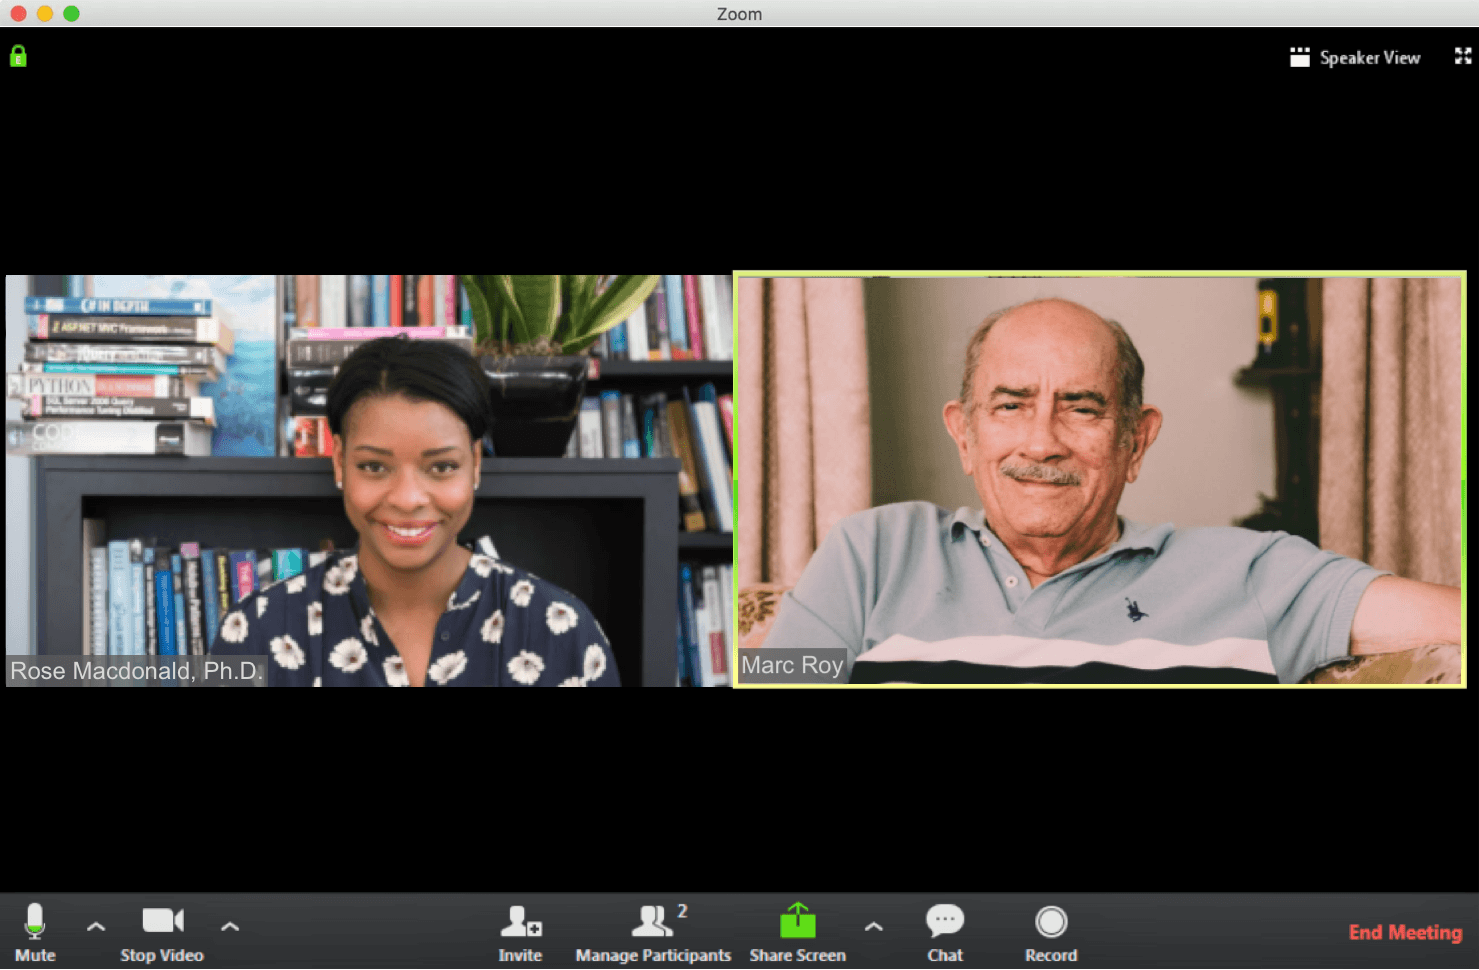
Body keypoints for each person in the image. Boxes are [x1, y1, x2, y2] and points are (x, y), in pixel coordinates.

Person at [762, 298, 1460, 683]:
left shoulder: (1253, 574)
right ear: (964, 434)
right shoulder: (871, 552)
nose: (1041, 442)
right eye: (1009, 406)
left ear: (1135, 439)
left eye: (1082, 407)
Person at [210, 336, 619, 686]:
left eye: (442, 467)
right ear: (339, 462)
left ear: (475, 464)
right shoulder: (255, 632)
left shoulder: (563, 633)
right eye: (374, 467)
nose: (407, 499)